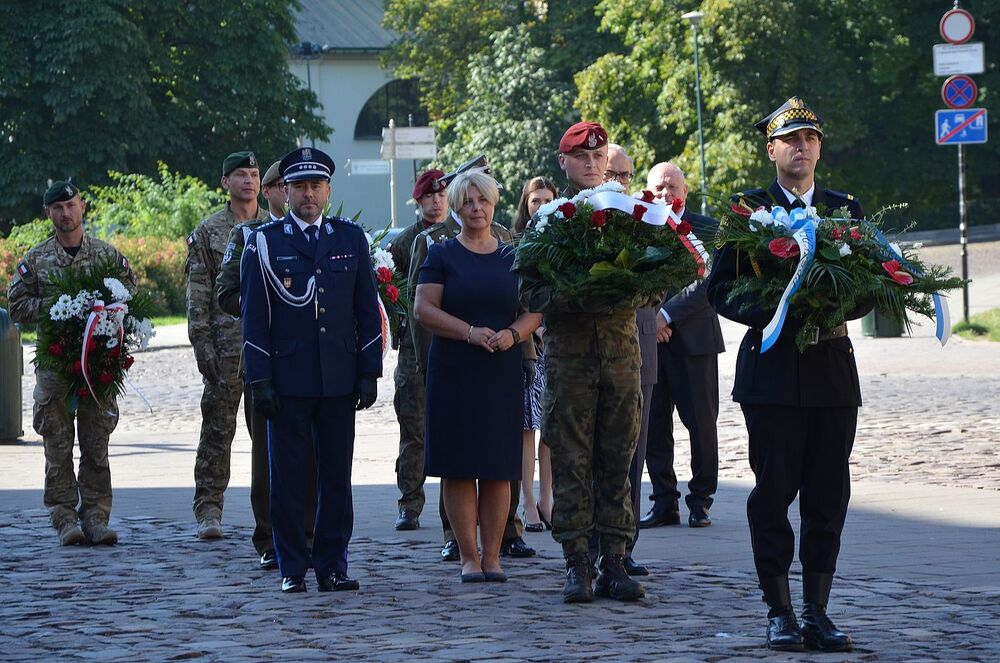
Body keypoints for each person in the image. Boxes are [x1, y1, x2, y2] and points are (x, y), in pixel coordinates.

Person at [705, 97, 864, 652]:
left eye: (811, 138)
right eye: (790, 139)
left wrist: (830, 303)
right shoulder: (745, 210)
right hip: (772, 372)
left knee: (828, 494)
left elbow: (871, 285)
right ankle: (779, 611)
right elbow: (718, 287)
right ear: (770, 149)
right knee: (773, 493)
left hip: (830, 370)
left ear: (820, 148)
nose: (802, 147)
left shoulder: (845, 210)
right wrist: (776, 310)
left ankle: (818, 610)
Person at [514, 121, 646, 603]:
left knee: (618, 459)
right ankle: (577, 563)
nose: (591, 164)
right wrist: (575, 292)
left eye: (598, 157)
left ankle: (614, 559)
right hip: (569, 360)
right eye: (581, 157)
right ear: (563, 161)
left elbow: (656, 279)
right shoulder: (548, 219)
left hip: (620, 358)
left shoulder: (631, 213)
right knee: (570, 461)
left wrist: (625, 285)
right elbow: (527, 290)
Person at [240, 146, 382, 593]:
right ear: (284, 191)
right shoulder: (265, 243)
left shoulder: (350, 238)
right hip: (288, 379)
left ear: (328, 190)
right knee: (287, 478)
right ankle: (291, 567)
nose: (307, 194)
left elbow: (365, 310)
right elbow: (255, 320)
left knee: (336, 476)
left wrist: (368, 371)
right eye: (298, 186)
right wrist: (259, 380)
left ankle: (333, 564)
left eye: (315, 186)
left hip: (338, 377)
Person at [414, 169, 541, 582]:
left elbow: (535, 310)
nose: (476, 208)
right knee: (459, 465)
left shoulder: (513, 254)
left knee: (498, 466)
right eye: (468, 201)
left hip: (500, 369)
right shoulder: (441, 255)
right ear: (456, 206)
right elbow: (424, 310)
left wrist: (512, 334)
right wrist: (469, 332)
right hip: (454, 369)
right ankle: (469, 556)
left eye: (483, 200)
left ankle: (494, 556)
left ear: (494, 204)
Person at [7, 181, 136, 546]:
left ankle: (96, 515)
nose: (66, 213)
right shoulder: (36, 260)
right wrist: (59, 309)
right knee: (57, 443)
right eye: (57, 208)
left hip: (97, 363)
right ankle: (64, 516)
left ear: (83, 207)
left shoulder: (107, 256)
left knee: (96, 442)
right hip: (56, 363)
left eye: (71, 205)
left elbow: (130, 296)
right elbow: (17, 305)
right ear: (48, 214)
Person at [216, 158, 316, 570]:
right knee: (268, 458)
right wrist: (269, 305)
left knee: (312, 454)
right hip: (266, 362)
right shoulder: (247, 236)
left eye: (276, 183)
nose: (274, 190)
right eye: (278, 185)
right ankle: (270, 538)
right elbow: (225, 293)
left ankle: (309, 535)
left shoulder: (320, 232)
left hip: (314, 363)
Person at [186, 151, 268, 540]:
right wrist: (202, 346)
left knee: (268, 437)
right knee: (218, 432)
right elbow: (198, 294)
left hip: (266, 351)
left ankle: (271, 514)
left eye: (253, 174)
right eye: (240, 174)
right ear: (225, 182)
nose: (249, 181)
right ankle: (209, 509)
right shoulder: (208, 232)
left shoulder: (274, 227)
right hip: (224, 350)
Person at [639, 162, 724, 531]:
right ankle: (663, 501)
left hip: (695, 341)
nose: (665, 194)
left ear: (685, 191)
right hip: (650, 342)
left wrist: (667, 316)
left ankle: (701, 500)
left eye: (672, 187)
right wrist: (650, 318)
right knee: (654, 425)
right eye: (658, 188)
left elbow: (710, 283)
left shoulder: (706, 228)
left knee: (701, 424)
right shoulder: (639, 225)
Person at [389, 168, 449, 532]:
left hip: (450, 343)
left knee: (450, 431)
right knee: (413, 431)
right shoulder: (405, 242)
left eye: (442, 195)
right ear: (419, 200)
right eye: (430, 196)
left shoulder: (458, 236)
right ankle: (409, 503)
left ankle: (452, 510)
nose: (437, 201)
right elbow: (390, 291)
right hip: (413, 350)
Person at [512, 176, 557, 532]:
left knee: (553, 427)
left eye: (547, 200)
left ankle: (548, 497)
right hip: (528, 347)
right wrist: (533, 327)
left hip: (558, 345)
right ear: (525, 207)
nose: (541, 206)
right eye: (534, 201)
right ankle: (527, 498)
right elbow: (517, 295)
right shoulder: (516, 243)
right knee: (528, 427)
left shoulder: (563, 240)